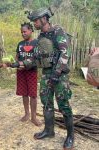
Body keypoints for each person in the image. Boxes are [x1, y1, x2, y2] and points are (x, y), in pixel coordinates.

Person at [24, 7, 73, 149]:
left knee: (64, 105)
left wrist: (56, 74)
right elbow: (36, 57)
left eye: (35, 21)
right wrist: (22, 63)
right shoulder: (40, 37)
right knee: (46, 103)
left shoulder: (58, 31)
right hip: (46, 74)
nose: (34, 24)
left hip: (59, 75)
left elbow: (65, 54)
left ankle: (70, 136)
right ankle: (49, 130)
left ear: (44, 19)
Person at [10, 22, 41, 126]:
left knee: (32, 94)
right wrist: (17, 64)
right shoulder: (20, 44)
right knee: (24, 93)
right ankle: (26, 114)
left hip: (32, 72)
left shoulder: (36, 43)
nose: (23, 33)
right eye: (21, 32)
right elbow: (17, 56)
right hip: (21, 72)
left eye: (25, 31)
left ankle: (33, 117)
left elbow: (37, 58)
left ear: (31, 30)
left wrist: (26, 64)